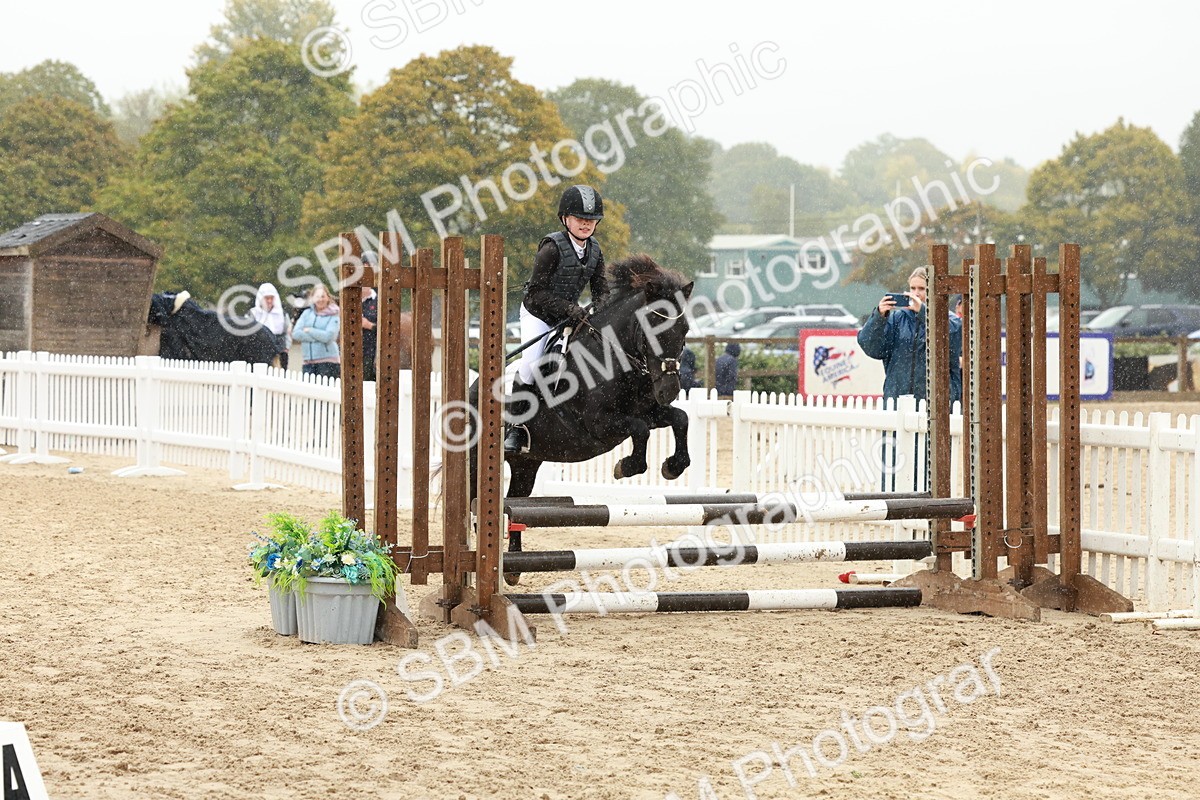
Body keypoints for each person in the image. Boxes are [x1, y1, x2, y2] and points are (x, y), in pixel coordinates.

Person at [504, 184, 611, 454]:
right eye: (580, 219)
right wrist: (569, 308)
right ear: (566, 219)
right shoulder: (551, 248)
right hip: (538, 314)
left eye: (591, 220)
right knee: (531, 363)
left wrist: (600, 306)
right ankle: (514, 428)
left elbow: (601, 289)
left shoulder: (595, 251)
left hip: (568, 316)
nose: (586, 225)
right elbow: (537, 292)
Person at [857, 266, 962, 405]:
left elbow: (950, 338)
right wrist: (879, 317)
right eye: (913, 288)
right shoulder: (896, 319)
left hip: (936, 403)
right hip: (897, 400)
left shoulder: (951, 320)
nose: (916, 293)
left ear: (933, 290)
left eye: (921, 289)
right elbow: (871, 348)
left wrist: (924, 312)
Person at [293, 282, 341, 379]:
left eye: (323, 296)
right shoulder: (306, 313)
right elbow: (296, 334)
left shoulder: (334, 314)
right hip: (308, 362)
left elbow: (329, 337)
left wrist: (310, 330)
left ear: (328, 297)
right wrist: (319, 337)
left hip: (327, 362)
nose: (320, 299)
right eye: (317, 296)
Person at [251, 282, 290, 370]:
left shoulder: (282, 315)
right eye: (266, 298)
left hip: (279, 353)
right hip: (259, 353)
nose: (269, 301)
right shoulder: (252, 314)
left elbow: (288, 332)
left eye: (271, 298)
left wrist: (286, 348)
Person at [360, 252, 379, 382]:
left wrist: (370, 326)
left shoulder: (379, 300)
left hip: (371, 352)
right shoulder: (349, 299)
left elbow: (389, 328)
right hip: (351, 351)